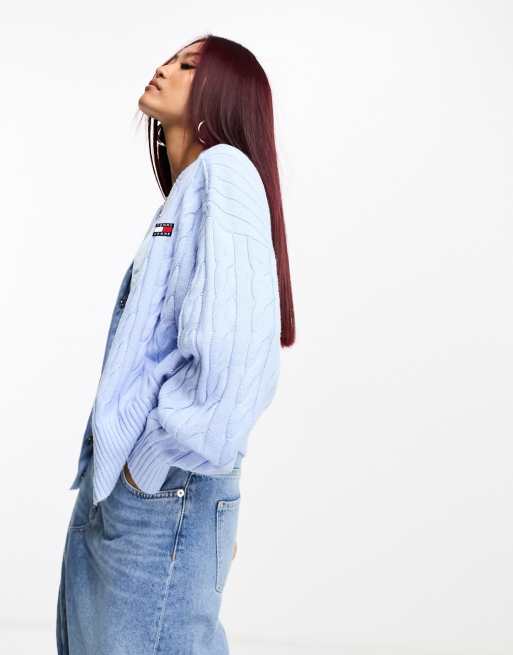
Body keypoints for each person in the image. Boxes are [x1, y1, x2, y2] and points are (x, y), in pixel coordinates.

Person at [56, 33, 295, 655]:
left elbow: (233, 358)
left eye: (190, 65)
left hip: (161, 490)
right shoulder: (189, 191)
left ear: (225, 93)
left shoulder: (225, 172)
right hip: (141, 493)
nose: (164, 67)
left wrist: (152, 464)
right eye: (171, 57)